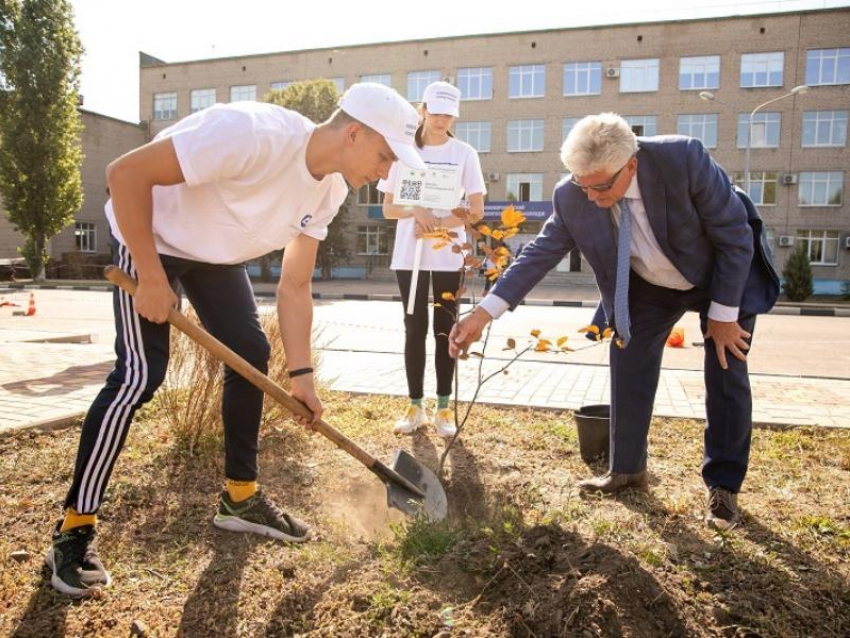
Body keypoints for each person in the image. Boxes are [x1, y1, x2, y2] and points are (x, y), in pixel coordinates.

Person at [46, 82, 425, 597]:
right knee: (140, 375)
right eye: (384, 156)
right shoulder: (250, 134)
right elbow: (124, 175)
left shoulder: (330, 189)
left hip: (213, 254)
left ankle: (240, 498)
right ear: (354, 133)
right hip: (150, 232)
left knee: (251, 353)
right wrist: (154, 280)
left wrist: (303, 376)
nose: (386, 172)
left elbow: (294, 286)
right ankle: (74, 528)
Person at [450, 113, 779, 531]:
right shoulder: (574, 193)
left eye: (600, 184)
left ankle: (723, 487)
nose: (589, 195)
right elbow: (540, 252)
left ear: (632, 164)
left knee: (726, 367)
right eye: (580, 183)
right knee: (628, 358)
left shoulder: (683, 159)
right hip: (649, 286)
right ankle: (626, 469)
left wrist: (724, 316)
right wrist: (483, 313)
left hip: (720, 273)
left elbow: (735, 235)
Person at [378, 81, 485, 437]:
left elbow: (475, 209)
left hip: (447, 255)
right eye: (435, 111)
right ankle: (414, 407)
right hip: (411, 255)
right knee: (414, 329)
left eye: (448, 114)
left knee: (445, 331)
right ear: (423, 109)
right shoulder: (404, 151)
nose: (441, 119)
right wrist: (417, 210)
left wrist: (439, 223)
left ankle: (443, 409)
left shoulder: (464, 154)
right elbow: (389, 207)